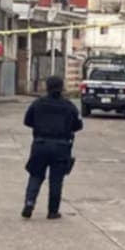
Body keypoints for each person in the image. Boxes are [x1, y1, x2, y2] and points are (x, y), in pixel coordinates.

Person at [21, 76, 83, 220]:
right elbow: (78, 125)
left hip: (40, 144)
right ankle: (53, 211)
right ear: (61, 88)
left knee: (35, 175)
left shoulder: (38, 103)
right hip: (61, 146)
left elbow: (27, 121)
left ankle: (29, 203)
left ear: (47, 87)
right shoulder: (68, 106)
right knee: (56, 180)